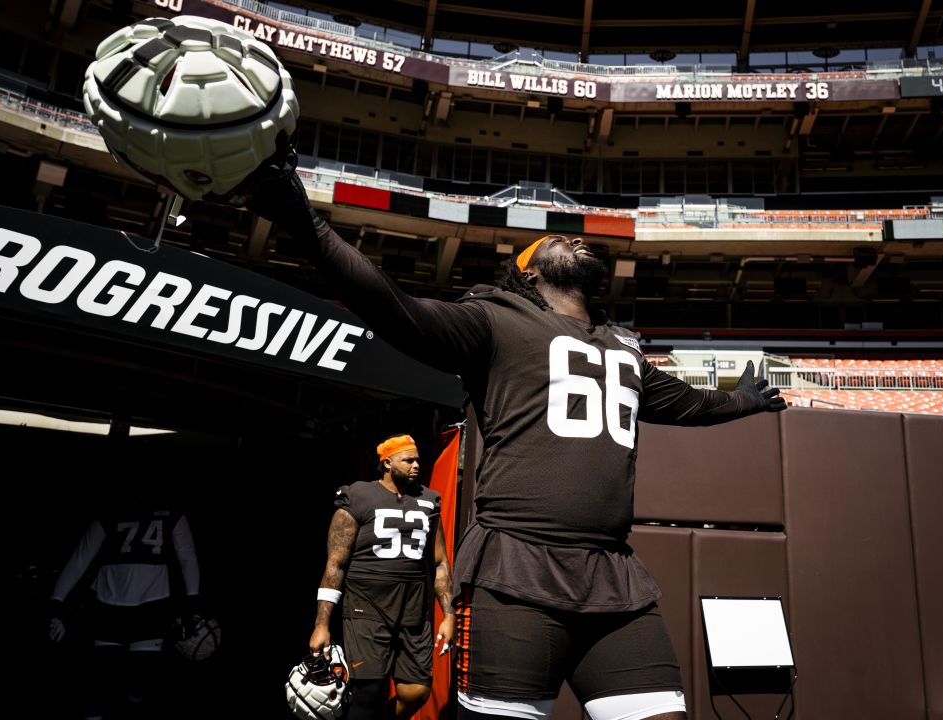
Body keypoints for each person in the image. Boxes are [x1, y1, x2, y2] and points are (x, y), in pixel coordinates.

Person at [239, 142, 787, 720]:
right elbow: (387, 301)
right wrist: (302, 219)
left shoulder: (622, 346)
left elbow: (687, 404)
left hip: (613, 577)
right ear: (528, 271)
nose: (574, 239)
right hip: (516, 572)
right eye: (556, 240)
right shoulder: (494, 320)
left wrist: (741, 401)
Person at [307, 434, 455, 720]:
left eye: (418, 460)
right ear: (387, 463)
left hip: (414, 609)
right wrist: (321, 624)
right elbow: (335, 565)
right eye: (408, 460)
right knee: (368, 693)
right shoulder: (359, 496)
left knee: (416, 691)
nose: (416, 465)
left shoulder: (428, 499)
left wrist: (448, 614)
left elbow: (439, 562)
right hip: (367, 606)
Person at [47, 473, 202, 719]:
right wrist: (56, 602)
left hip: (148, 606)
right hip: (112, 605)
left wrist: (192, 602)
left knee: (137, 683)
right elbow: (81, 558)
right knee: (101, 684)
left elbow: (187, 556)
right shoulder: (110, 512)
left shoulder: (170, 512)